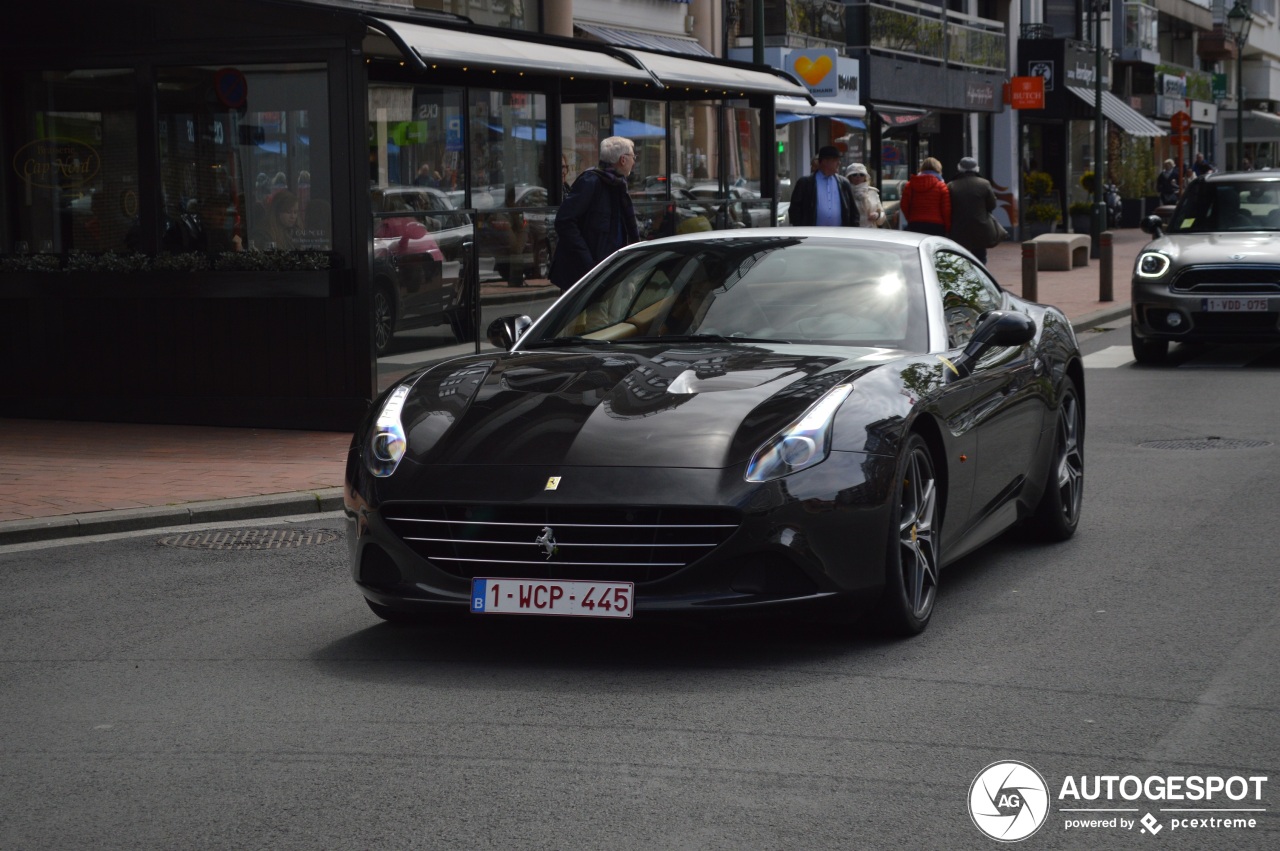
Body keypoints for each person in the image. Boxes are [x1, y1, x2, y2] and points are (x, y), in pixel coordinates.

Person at [548, 136, 640, 291]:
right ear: (623, 160)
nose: (634, 161)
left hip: (607, 272)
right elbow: (564, 221)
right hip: (585, 276)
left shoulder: (617, 186)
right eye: (633, 157)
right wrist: (588, 262)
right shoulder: (591, 182)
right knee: (592, 315)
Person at [788, 145, 859, 227]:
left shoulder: (843, 183)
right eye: (835, 160)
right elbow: (794, 210)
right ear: (825, 161)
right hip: (812, 235)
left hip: (840, 235)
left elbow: (853, 212)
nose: (839, 163)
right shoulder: (805, 183)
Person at [947, 156, 998, 263]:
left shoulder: (951, 185)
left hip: (958, 228)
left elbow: (948, 207)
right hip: (980, 226)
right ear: (976, 168)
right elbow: (992, 205)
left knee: (959, 257)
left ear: (959, 168)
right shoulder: (984, 184)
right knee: (980, 257)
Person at [899, 157, 950, 236]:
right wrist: (947, 228)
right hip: (936, 226)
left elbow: (904, 205)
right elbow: (946, 210)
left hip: (915, 224)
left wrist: (910, 218)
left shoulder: (910, 185)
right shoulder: (941, 186)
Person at [844, 163, 883, 228]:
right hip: (851, 232)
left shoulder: (872, 192)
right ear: (849, 177)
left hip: (870, 232)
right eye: (854, 174)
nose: (858, 177)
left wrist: (877, 216)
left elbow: (882, 214)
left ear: (865, 177)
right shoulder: (845, 192)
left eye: (861, 175)